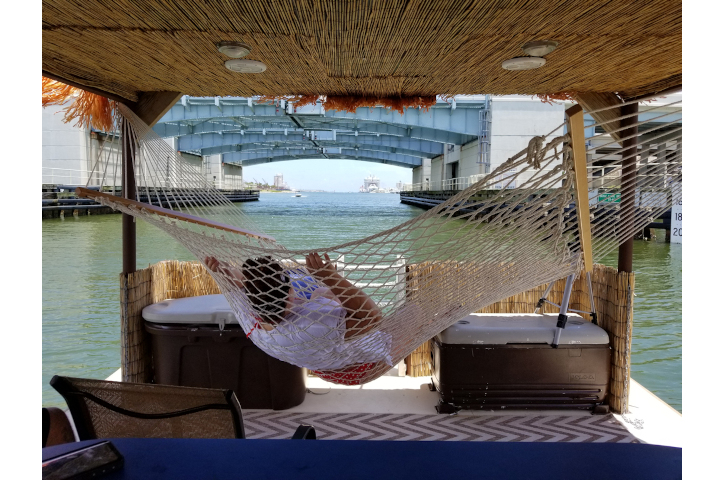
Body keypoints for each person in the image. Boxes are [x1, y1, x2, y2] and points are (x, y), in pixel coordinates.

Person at [204, 253, 392, 384]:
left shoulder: (248, 312)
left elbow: (243, 285)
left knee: (319, 292)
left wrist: (222, 270)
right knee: (415, 310)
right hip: (356, 367)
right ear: (290, 295)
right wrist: (332, 278)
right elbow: (373, 318)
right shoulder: (313, 325)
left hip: (317, 359)